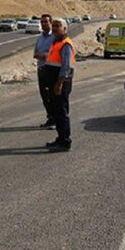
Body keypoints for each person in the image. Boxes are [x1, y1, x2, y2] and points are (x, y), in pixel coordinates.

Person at [45, 18, 76, 152]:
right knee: (57, 112)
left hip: (61, 84)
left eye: (58, 26)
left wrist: (59, 84)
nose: (55, 28)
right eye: (54, 26)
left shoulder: (65, 45)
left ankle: (65, 141)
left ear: (64, 29)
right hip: (54, 83)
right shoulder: (55, 43)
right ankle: (60, 137)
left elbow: (66, 67)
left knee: (62, 113)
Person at [33, 14, 55, 128]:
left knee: (52, 96)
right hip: (41, 69)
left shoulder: (55, 38)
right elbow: (35, 53)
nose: (43, 24)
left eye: (46, 22)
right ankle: (50, 118)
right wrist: (41, 56)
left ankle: (55, 119)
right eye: (42, 22)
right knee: (44, 96)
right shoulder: (40, 38)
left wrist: (45, 56)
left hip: (51, 70)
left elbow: (56, 54)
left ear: (51, 23)